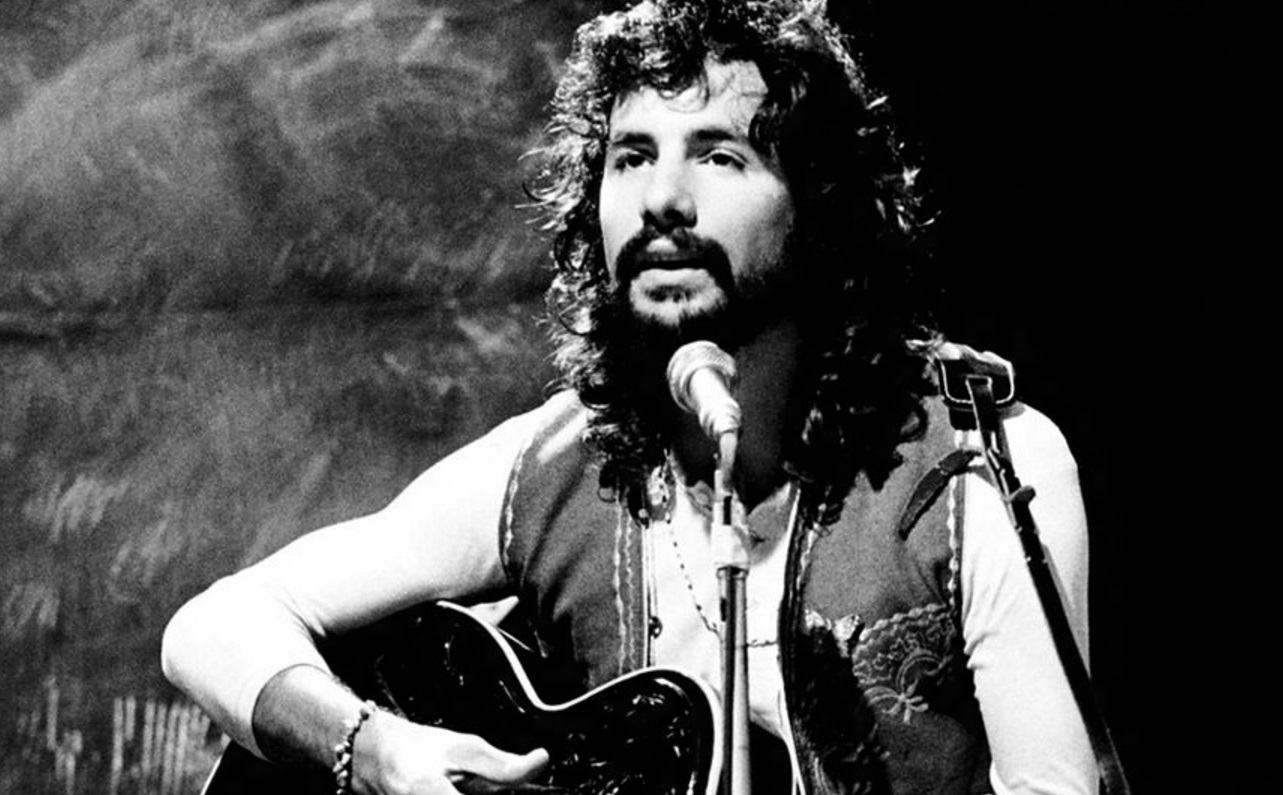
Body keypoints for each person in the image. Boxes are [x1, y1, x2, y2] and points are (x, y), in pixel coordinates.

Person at [162, 1, 1097, 793]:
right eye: (631, 157)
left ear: (820, 204)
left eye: (719, 156)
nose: (662, 199)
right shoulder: (559, 465)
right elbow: (213, 626)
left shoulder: (980, 466)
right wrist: (377, 751)